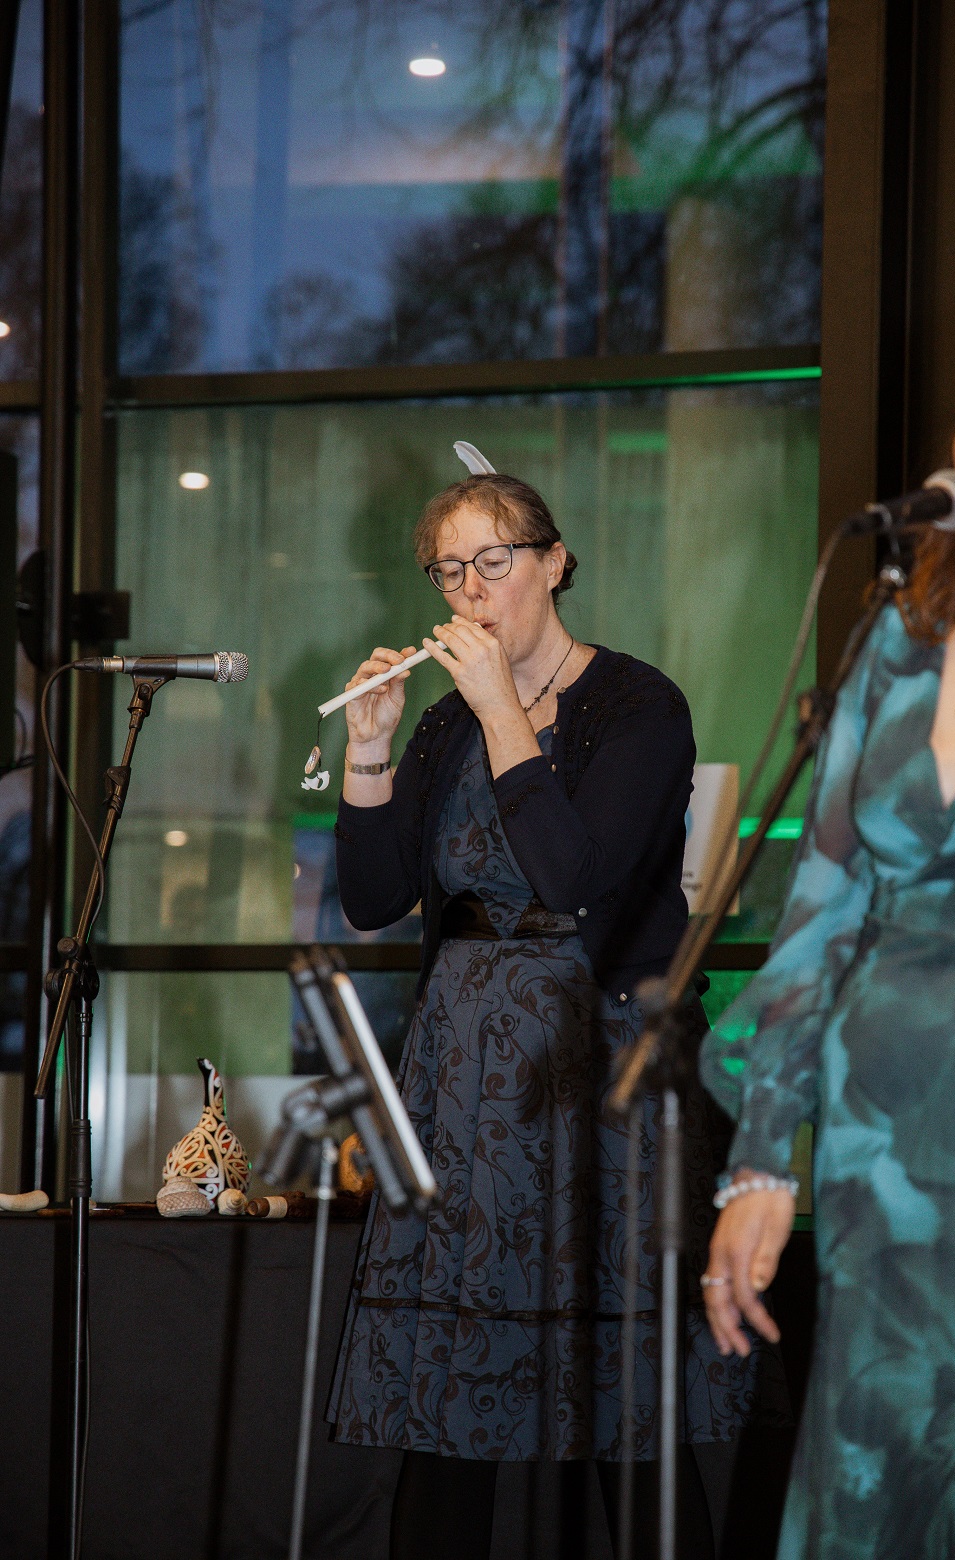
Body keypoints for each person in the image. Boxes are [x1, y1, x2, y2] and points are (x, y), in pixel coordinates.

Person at [327, 467, 784, 1560]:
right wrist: (373, 749)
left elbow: (568, 879)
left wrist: (498, 711)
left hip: (599, 1070)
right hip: (461, 1076)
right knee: (446, 1394)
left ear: (553, 563)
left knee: (621, 1395)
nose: (471, 590)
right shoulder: (440, 729)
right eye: (449, 570)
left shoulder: (636, 706)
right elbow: (374, 896)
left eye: (493, 562)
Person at [699, 319, 955, 1558]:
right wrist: (758, 1168)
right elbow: (816, 915)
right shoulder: (890, 648)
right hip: (875, 1157)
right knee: (867, 1476)